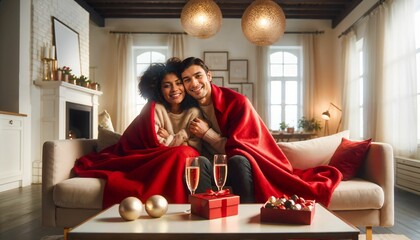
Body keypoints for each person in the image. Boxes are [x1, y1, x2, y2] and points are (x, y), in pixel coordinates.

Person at [180, 57, 342, 206]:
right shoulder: (186, 108)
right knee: (198, 163)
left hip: (236, 164)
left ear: (209, 76)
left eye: (198, 76)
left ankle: (247, 222)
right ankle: (203, 221)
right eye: (187, 80)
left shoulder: (236, 102)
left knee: (238, 160)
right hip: (210, 163)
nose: (194, 83)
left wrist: (207, 133)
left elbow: (244, 149)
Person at [73, 58, 211, 208]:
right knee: (180, 153)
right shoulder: (155, 109)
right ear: (158, 90)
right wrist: (184, 136)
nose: (174, 89)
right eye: (167, 85)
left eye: (178, 83)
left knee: (183, 153)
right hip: (151, 157)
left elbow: (195, 146)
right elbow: (157, 144)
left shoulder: (194, 112)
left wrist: (173, 137)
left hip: (176, 156)